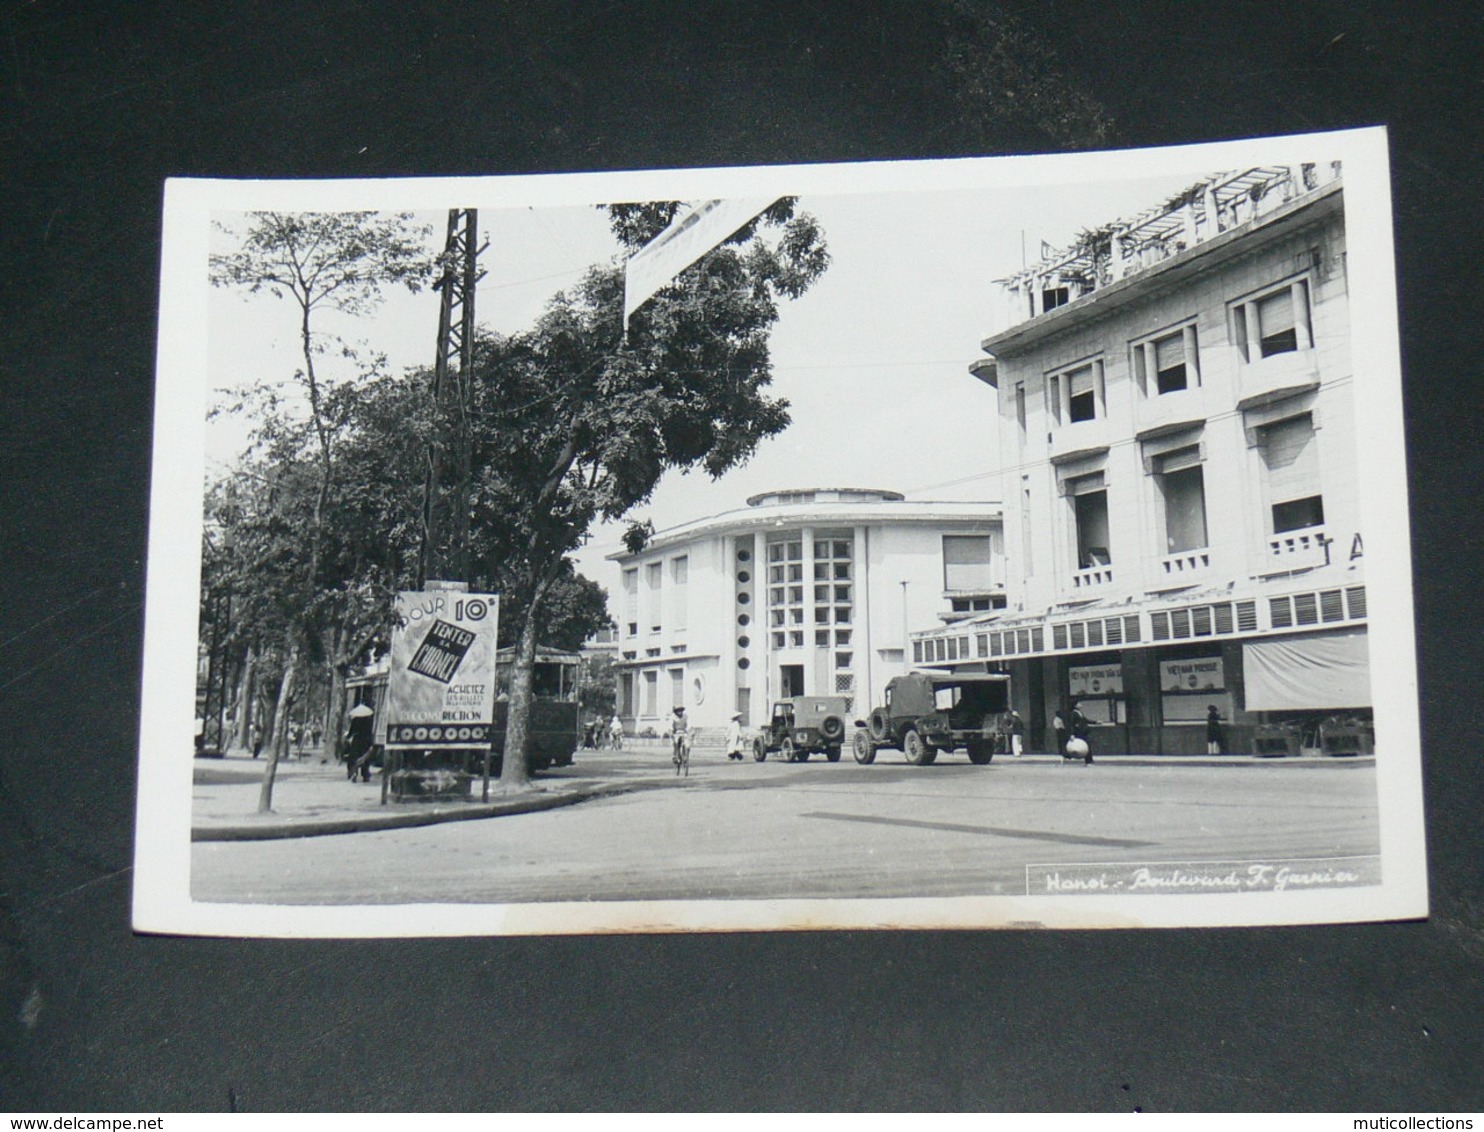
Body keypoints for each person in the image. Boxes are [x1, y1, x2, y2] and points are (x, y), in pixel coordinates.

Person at [345, 706, 375, 782]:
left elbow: (351, 731)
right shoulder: (369, 721)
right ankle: (365, 775)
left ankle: (354, 772)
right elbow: (371, 731)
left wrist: (348, 737)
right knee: (365, 757)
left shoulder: (355, 720)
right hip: (366, 740)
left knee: (354, 757)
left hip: (357, 740)